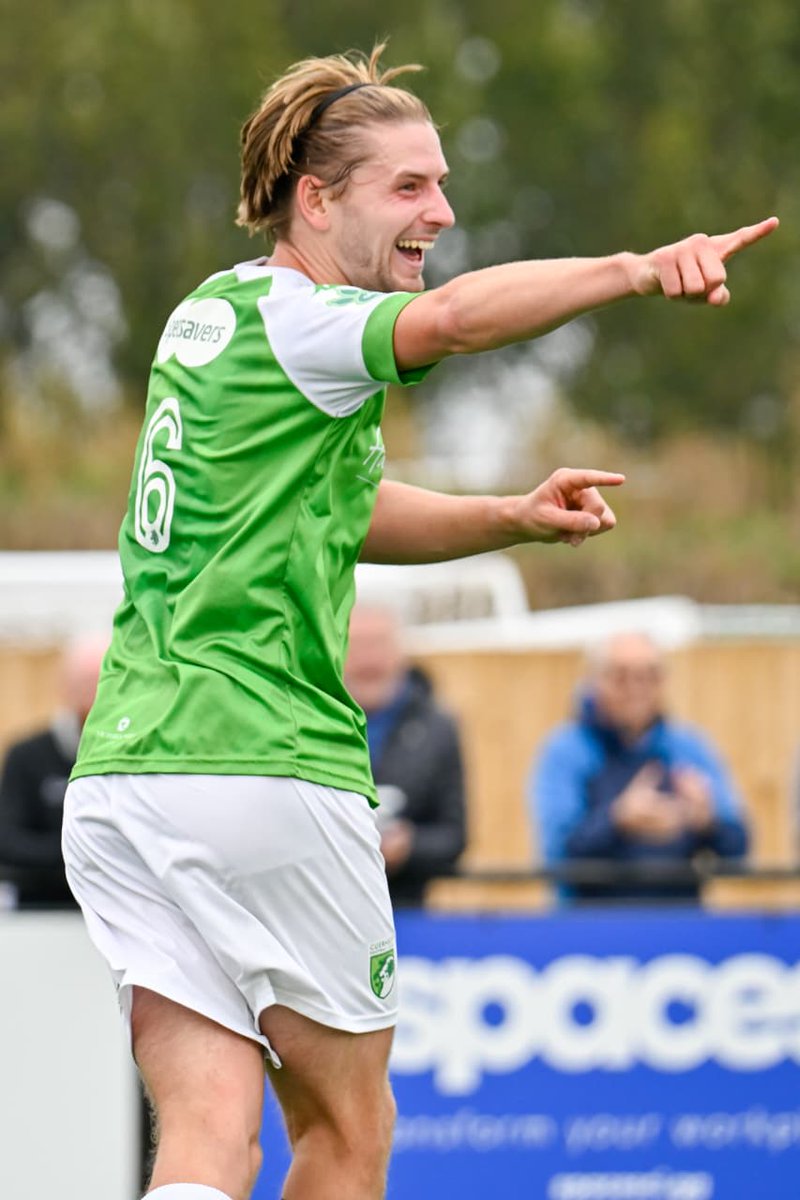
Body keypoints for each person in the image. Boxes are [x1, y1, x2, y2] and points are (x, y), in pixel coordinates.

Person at [59, 43, 776, 1200]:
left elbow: (340, 512)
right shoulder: (309, 321)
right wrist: (635, 270)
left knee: (206, 1137)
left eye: (441, 184)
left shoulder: (211, 316)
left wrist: (506, 513)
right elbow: (447, 322)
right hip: (261, 765)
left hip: (129, 779)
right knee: (347, 1138)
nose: (438, 211)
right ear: (316, 198)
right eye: (407, 187)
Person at [529, 631, 749, 903]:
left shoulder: (689, 748)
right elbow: (558, 855)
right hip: (588, 928)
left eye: (649, 676)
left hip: (680, 928)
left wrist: (708, 823)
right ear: (593, 681)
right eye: (621, 676)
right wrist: (617, 820)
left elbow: (738, 851)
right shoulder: (566, 751)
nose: (636, 688)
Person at [344, 602, 466, 906]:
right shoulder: (305, 723)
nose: (367, 659)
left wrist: (410, 846)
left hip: (407, 911)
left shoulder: (439, 729)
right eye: (356, 645)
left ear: (402, 654)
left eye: (378, 645)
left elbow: (455, 836)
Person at [0, 635, 106, 909]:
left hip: (112, 915)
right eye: (87, 685)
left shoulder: (131, 758)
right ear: (67, 689)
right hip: (41, 914)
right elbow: (8, 841)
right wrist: (85, 853)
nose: (95, 697)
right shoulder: (27, 755)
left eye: (105, 684)